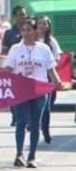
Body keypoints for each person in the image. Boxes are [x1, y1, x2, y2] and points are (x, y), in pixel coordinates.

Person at [4, 18, 63, 168]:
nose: (25, 33)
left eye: (29, 30)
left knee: (36, 124)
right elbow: (8, 69)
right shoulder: (15, 49)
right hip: (20, 90)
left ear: (35, 31)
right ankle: (19, 154)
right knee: (21, 122)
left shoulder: (43, 49)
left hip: (39, 90)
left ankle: (32, 155)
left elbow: (51, 68)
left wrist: (57, 81)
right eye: (23, 30)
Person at [35, 15, 61, 144]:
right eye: (40, 23)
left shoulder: (51, 41)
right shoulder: (31, 39)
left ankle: (45, 130)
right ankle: (33, 125)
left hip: (47, 77)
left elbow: (57, 57)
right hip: (33, 77)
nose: (42, 26)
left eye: (45, 24)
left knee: (46, 106)